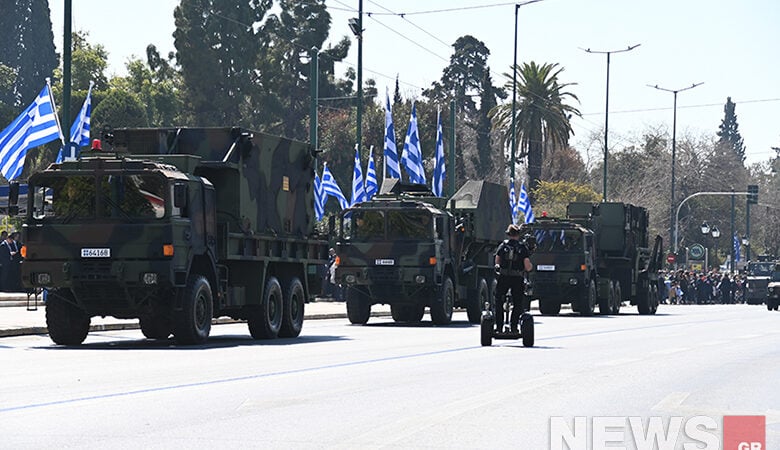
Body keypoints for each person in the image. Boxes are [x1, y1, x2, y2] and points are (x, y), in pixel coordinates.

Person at [493, 224, 532, 332]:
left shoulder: (502, 246)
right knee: (518, 303)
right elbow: (527, 266)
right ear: (518, 235)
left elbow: (497, 262)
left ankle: (499, 327)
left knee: (498, 302)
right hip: (517, 279)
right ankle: (514, 327)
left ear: (509, 235)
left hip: (503, 278)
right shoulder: (522, 247)